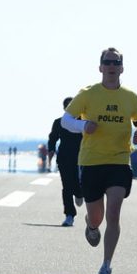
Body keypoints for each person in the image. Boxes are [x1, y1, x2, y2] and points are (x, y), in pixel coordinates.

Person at [61, 47, 137, 274]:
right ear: (100, 67)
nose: (111, 66)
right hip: (91, 161)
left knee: (114, 214)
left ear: (122, 68)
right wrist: (83, 125)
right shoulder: (88, 93)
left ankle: (106, 266)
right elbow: (66, 120)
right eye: (107, 62)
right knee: (97, 217)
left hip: (119, 160)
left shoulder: (130, 97)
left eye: (115, 62)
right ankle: (90, 224)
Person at [47, 96, 83, 226]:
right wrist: (50, 156)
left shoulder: (83, 122)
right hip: (64, 158)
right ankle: (69, 215)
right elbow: (52, 139)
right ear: (64, 109)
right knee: (66, 186)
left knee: (78, 185)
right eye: (67, 106)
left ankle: (79, 194)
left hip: (82, 158)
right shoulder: (59, 122)